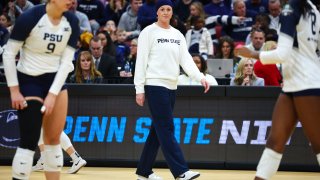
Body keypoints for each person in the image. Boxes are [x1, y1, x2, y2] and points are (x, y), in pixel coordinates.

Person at [234, 0, 320, 179]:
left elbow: (282, 54)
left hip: (305, 82)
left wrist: (252, 54)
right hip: (294, 83)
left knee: (318, 143)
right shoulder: (314, 9)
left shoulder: (291, 8)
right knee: (275, 141)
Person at [3, 0, 80, 179]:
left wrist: (53, 94)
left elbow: (67, 62)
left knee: (53, 141)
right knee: (29, 141)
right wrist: (14, 90)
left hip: (55, 80)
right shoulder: (30, 18)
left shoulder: (72, 22)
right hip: (29, 80)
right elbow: (8, 54)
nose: (71, 1)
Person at [134, 0, 210, 179]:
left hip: (171, 86)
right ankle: (180, 171)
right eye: (162, 9)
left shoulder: (178, 35)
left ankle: (144, 172)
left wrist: (201, 77)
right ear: (157, 12)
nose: (166, 12)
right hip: (154, 85)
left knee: (157, 129)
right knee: (166, 127)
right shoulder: (148, 32)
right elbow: (141, 61)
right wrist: (139, 88)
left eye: (169, 9)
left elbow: (186, 61)